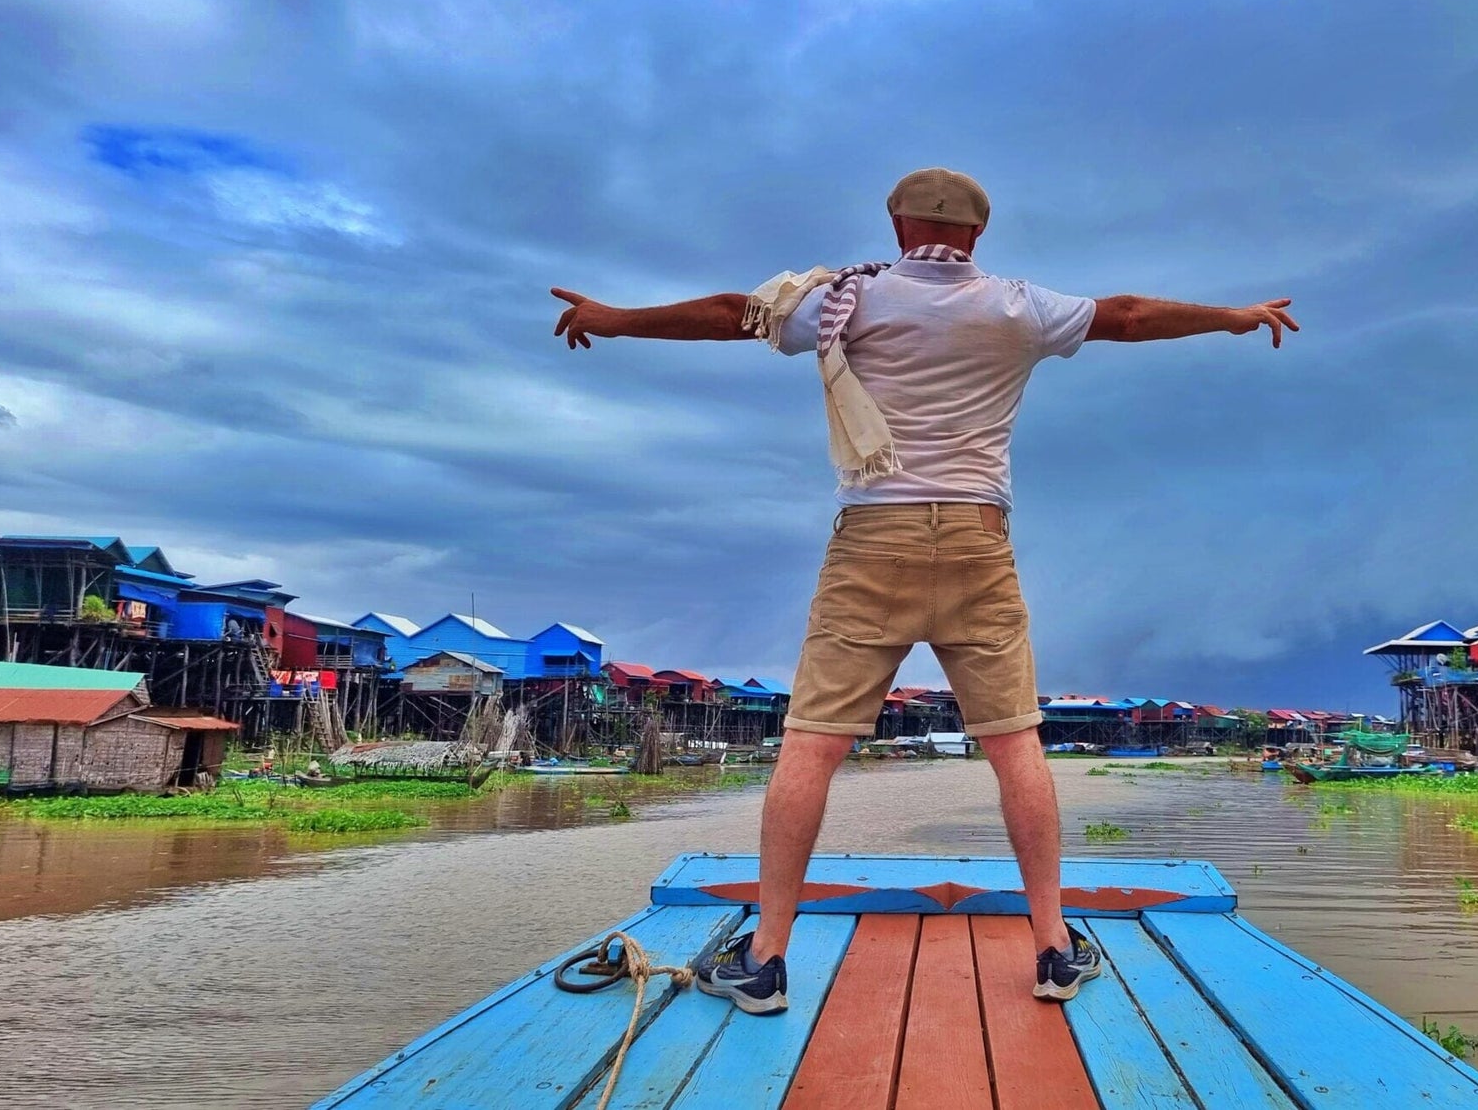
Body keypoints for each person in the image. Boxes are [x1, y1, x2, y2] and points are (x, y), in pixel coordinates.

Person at [550, 168, 1298, 1014]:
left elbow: (732, 314)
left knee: (812, 742)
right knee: (1016, 742)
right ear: (979, 235)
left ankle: (764, 960)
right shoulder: (1015, 307)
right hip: (980, 540)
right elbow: (1126, 315)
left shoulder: (848, 300)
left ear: (897, 226)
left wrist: (614, 319)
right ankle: (1054, 950)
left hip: (873, 537)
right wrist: (1234, 317)